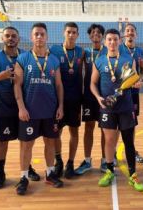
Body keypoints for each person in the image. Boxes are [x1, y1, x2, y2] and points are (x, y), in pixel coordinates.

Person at [0, 26, 40, 189]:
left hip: (24, 106)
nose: (10, 38)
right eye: (7, 36)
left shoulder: (26, 56)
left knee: (26, 141)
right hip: (4, 109)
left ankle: (27, 168)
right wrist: (0, 76)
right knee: (3, 142)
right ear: (2, 38)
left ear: (19, 39)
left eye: (14, 36)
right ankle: (0, 172)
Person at [90, 28, 143, 192]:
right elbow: (92, 83)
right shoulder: (99, 61)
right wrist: (98, 97)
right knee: (109, 141)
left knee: (128, 141)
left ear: (119, 41)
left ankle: (133, 175)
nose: (112, 42)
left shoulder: (128, 60)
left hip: (126, 107)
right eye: (109, 40)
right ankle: (109, 171)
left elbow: (134, 79)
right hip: (107, 108)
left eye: (115, 39)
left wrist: (137, 84)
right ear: (105, 42)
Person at [14, 22, 64, 195]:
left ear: (47, 37)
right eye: (36, 34)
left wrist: (61, 106)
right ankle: (23, 177)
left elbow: (58, 86)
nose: (39, 37)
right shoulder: (23, 59)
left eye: (42, 34)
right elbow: (17, 85)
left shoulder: (54, 60)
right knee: (26, 145)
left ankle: (50, 173)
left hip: (50, 111)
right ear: (31, 37)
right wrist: (21, 107)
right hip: (30, 112)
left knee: (50, 142)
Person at [50, 22, 84, 179]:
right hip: (57, 99)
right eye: (69, 32)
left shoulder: (81, 52)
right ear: (64, 33)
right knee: (57, 132)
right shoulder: (54, 50)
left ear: (77, 35)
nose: (71, 35)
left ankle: (70, 163)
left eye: (74, 32)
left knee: (74, 131)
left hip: (75, 99)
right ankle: (58, 161)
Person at [75, 23, 108, 175]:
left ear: (102, 36)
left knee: (104, 129)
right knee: (88, 127)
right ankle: (87, 160)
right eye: (93, 33)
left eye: (99, 33)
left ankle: (105, 160)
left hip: (105, 95)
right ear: (89, 36)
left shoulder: (108, 51)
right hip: (88, 96)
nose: (96, 35)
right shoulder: (84, 52)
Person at [119, 23, 143, 163]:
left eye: (132, 31)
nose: (130, 33)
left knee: (132, 123)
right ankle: (110, 154)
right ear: (124, 33)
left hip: (134, 93)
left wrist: (142, 80)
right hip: (120, 91)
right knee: (116, 123)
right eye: (127, 30)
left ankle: (132, 151)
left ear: (136, 34)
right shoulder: (118, 48)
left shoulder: (140, 51)